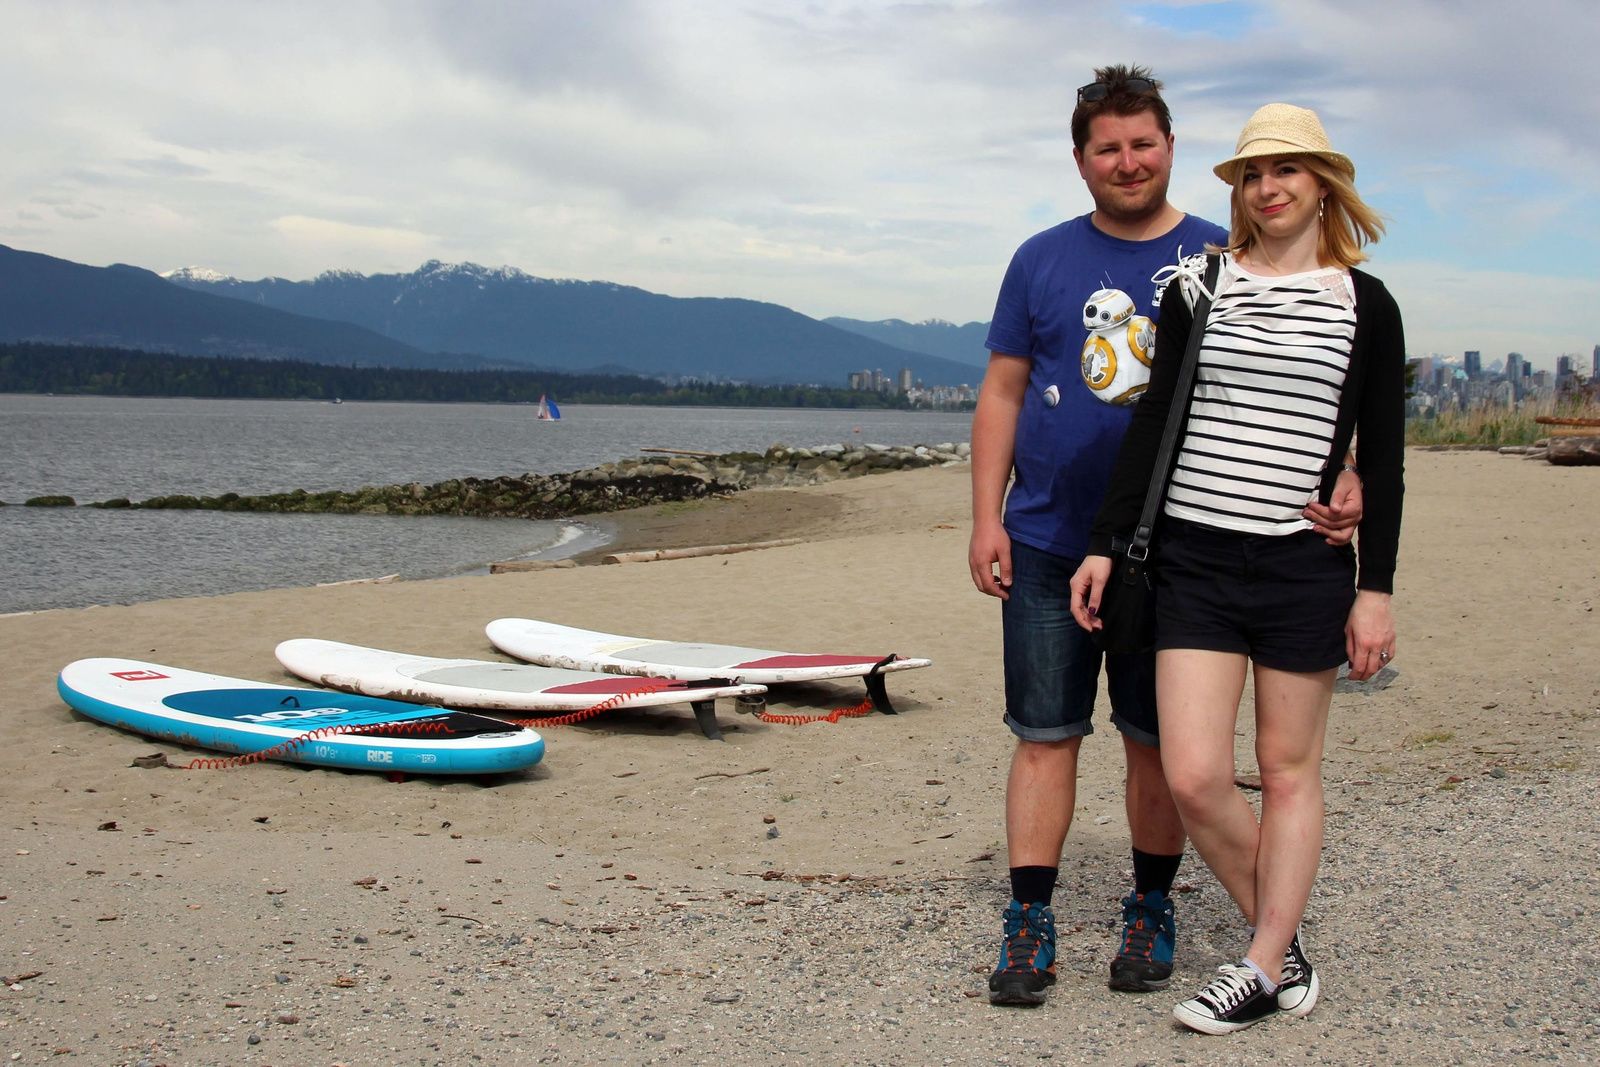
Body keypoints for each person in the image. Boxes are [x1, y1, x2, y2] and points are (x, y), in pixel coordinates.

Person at [970, 69, 1363, 1007]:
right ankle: (1030, 916)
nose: (1126, 161)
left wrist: (1345, 469)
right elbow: (1004, 391)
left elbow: (1307, 374)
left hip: (1168, 550)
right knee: (1045, 734)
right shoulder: (1039, 260)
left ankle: (1152, 902)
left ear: (1172, 148)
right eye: (1106, 147)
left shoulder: (1221, 257)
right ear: (1079, 162)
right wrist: (986, 514)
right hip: (1047, 540)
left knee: (1155, 744)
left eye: (1142, 143)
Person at [1069, 102, 1405, 1034]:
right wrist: (1106, 539)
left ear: (1323, 183)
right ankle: (1283, 938)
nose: (1269, 188)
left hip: (1304, 566)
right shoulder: (1201, 285)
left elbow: (1385, 452)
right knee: (1194, 774)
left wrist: (1374, 588)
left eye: (1288, 171)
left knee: (1289, 768)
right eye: (1255, 175)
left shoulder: (1364, 303)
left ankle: (1258, 962)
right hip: (1195, 560)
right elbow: (1152, 425)